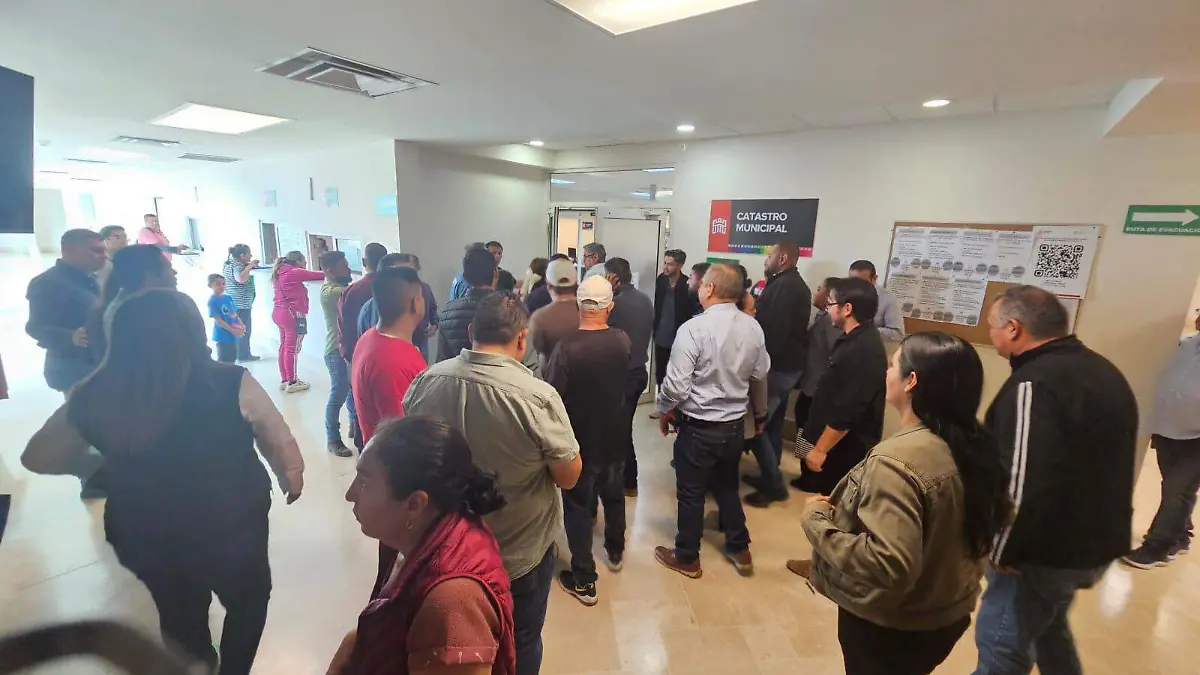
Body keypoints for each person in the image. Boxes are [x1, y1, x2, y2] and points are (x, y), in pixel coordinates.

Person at [22, 289, 303, 675]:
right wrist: (291, 477)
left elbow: (38, 456)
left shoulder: (97, 390)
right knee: (248, 601)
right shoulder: (228, 381)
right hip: (230, 521)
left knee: (178, 610)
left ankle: (198, 662)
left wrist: (105, 466)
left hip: (143, 529)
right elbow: (274, 434)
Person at [796, 332, 1012, 675]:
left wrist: (817, 520)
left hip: (892, 628)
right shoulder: (977, 444)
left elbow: (888, 565)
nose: (886, 371)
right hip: (945, 614)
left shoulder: (896, 462)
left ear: (911, 380)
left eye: (893, 364)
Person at [403, 292, 582, 675]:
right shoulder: (537, 397)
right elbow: (569, 476)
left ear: (471, 332)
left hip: (448, 549)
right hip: (518, 553)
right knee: (523, 639)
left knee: (459, 642)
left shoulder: (426, 382)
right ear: (522, 338)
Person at [973, 286, 1137, 675]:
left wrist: (1002, 549)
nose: (990, 333)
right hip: (1094, 541)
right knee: (1048, 629)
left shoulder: (1034, 385)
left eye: (992, 325)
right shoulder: (1102, 370)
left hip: (1040, 552)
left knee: (1002, 644)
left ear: (1013, 328)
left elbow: (1023, 477)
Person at [330, 416, 515, 675]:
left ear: (415, 504)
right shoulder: (413, 534)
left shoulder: (452, 605)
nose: (350, 494)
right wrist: (353, 644)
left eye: (364, 483)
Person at [653, 263, 769, 579]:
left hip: (700, 427)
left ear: (711, 288)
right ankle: (740, 548)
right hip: (734, 426)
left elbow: (676, 386)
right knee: (727, 486)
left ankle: (687, 557)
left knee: (690, 493)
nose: (700, 286)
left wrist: (664, 410)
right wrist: (758, 414)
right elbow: (760, 373)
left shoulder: (693, 329)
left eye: (702, 282)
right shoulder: (753, 327)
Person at [544, 276, 631, 605]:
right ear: (611, 307)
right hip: (616, 436)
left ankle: (584, 578)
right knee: (614, 495)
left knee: (578, 506)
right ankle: (615, 550)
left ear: (579, 305)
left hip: (579, 441)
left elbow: (552, 395)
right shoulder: (622, 340)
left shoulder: (567, 347)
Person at [792, 277, 887, 496]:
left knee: (835, 498)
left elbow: (848, 410)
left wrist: (820, 449)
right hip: (833, 441)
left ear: (847, 309)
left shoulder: (863, 349)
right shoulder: (852, 338)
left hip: (845, 448)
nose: (827, 310)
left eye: (831, 304)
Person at [1123, 310, 1200, 568]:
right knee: (1176, 489)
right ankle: (1181, 535)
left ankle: (1157, 547)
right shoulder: (1184, 344)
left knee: (1177, 489)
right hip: (1169, 429)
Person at [744, 241, 813, 507]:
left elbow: (775, 333)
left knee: (756, 425)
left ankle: (774, 486)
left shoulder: (788, 287)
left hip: (778, 368)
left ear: (782, 258)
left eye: (770, 255)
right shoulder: (785, 283)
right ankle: (768, 475)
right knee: (772, 425)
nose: (766, 260)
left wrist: (758, 369)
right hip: (784, 367)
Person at [351, 266, 429, 445]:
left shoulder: (370, 337)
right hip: (395, 457)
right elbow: (400, 435)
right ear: (415, 302)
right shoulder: (393, 363)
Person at [26, 229, 107, 394]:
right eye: (96, 250)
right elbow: (35, 327)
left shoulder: (90, 278)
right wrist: (70, 337)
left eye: (104, 251)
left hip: (97, 364)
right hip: (74, 370)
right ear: (71, 250)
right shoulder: (48, 283)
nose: (104, 256)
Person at [603, 257, 654, 497]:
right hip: (638, 372)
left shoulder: (614, 304)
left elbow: (594, 323)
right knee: (623, 427)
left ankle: (627, 481)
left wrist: (606, 294)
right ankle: (626, 481)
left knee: (619, 431)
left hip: (620, 375)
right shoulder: (645, 300)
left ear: (612, 277)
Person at [84, 244, 179, 368]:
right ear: (149, 275)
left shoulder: (124, 303)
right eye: (168, 267)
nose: (175, 272)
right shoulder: (137, 313)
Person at [356, 253, 439, 363]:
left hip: (420, 347)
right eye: (403, 275)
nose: (411, 281)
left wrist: (435, 324)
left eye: (412, 274)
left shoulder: (424, 289)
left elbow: (433, 310)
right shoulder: (368, 312)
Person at [793, 277, 843, 433]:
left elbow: (836, 354)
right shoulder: (822, 316)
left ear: (829, 296)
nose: (816, 293)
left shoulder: (831, 322)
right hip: (811, 384)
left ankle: (805, 449)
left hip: (818, 388)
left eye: (819, 289)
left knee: (808, 425)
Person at [271, 251, 326, 392]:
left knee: (284, 346)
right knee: (292, 349)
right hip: (292, 314)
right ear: (298, 262)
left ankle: (285, 379)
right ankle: (293, 381)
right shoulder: (294, 272)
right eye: (304, 261)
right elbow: (321, 275)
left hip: (278, 312)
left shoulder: (279, 272)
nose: (305, 264)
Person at [320, 250, 357, 457]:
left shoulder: (337, 289)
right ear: (330, 271)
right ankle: (333, 439)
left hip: (343, 348)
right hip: (335, 351)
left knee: (351, 390)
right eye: (344, 266)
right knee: (338, 395)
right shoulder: (333, 292)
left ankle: (354, 426)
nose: (349, 269)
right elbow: (357, 292)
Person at [437, 247, 498, 362]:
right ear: (495, 272)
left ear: (464, 276)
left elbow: (442, 359)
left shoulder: (447, 312)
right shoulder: (508, 310)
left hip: (456, 372)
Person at [652, 249, 693, 403]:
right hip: (661, 333)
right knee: (660, 372)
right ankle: (661, 402)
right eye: (665, 263)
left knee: (676, 373)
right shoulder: (661, 280)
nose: (666, 267)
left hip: (679, 336)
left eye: (670, 264)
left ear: (680, 265)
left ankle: (674, 404)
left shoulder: (686, 284)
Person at [338, 242, 389, 364]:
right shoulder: (396, 288)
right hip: (388, 355)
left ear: (363, 262)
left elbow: (344, 328)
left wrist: (349, 356)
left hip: (358, 355)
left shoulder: (349, 292)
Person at [527, 258, 580, 372]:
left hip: (550, 378)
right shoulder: (589, 313)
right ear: (576, 284)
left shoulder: (540, 318)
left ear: (548, 284)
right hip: (586, 378)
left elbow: (530, 356)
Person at [848, 260, 904, 341]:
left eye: (861, 282)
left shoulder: (889, 299)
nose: (856, 286)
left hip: (871, 345)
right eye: (852, 281)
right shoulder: (844, 294)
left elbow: (898, 334)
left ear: (874, 278)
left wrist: (863, 331)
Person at [222, 244, 261, 363]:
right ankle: (243, 355)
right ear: (242, 255)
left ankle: (239, 353)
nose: (251, 256)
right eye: (249, 254)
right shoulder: (237, 265)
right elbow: (240, 279)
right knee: (244, 330)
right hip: (241, 304)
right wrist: (249, 266)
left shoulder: (228, 263)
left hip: (233, 302)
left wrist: (247, 266)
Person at [208, 274, 245, 364]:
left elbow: (235, 314)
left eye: (223, 284)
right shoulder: (212, 301)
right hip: (223, 336)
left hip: (233, 335)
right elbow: (219, 321)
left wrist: (241, 324)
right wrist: (232, 330)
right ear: (210, 286)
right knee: (224, 360)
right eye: (218, 284)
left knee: (233, 357)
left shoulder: (227, 298)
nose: (221, 286)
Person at [96, 225, 128, 289]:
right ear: (105, 240)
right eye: (117, 237)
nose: (123, 241)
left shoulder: (128, 258)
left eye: (125, 237)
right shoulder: (100, 264)